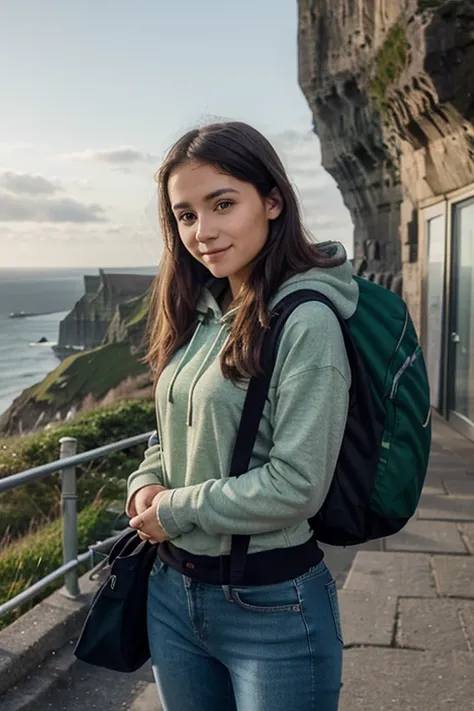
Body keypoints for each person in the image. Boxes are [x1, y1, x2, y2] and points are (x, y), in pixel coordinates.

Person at [126, 121, 357, 711]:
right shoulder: (202, 310)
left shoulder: (306, 321)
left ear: (272, 201)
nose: (203, 232)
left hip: (271, 606)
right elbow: (176, 426)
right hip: (173, 594)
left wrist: (173, 510)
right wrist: (146, 481)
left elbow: (297, 484)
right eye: (185, 215)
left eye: (222, 204)